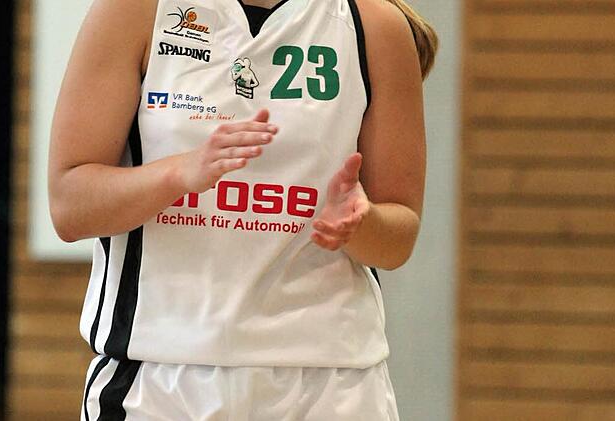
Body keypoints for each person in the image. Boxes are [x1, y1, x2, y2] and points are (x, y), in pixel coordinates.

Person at [48, 0, 436, 418]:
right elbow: (70, 206)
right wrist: (179, 173)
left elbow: (398, 238)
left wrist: (360, 224)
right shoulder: (135, 11)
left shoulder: (374, 26)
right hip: (160, 378)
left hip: (331, 380)